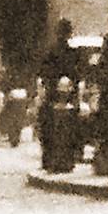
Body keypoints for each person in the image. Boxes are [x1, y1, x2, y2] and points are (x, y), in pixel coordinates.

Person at [37, 19, 81, 172]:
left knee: (49, 129)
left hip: (53, 97)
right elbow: (77, 76)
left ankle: (52, 160)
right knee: (68, 129)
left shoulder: (51, 52)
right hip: (64, 97)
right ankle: (65, 160)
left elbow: (43, 74)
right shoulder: (72, 53)